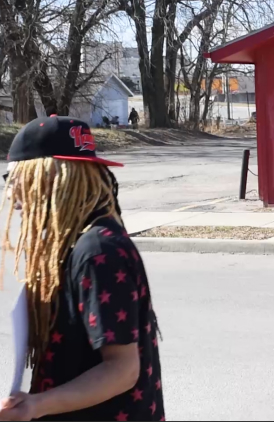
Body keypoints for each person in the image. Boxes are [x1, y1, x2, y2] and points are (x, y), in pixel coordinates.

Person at [0, 116, 163, 421]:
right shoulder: (83, 242)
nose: (10, 194)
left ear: (49, 176)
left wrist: (37, 405)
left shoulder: (97, 250)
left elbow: (122, 370)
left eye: (12, 178)